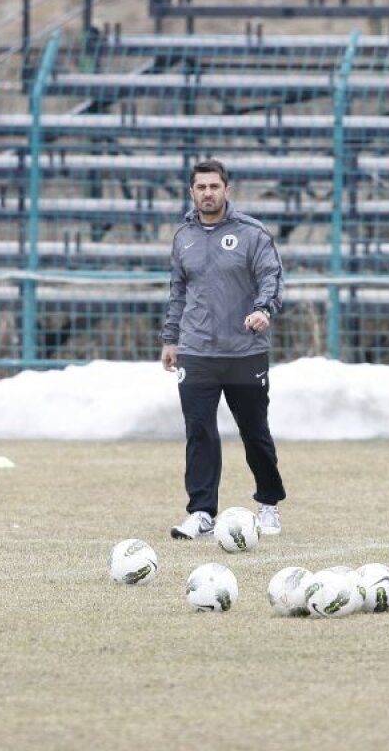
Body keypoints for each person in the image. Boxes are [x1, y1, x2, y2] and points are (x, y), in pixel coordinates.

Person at [161, 159, 287, 539]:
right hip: (197, 350)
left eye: (214, 186)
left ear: (226, 190)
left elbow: (272, 277)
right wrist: (171, 339)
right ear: (192, 192)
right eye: (201, 187)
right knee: (199, 430)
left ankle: (268, 504)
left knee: (254, 431)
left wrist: (263, 309)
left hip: (244, 350)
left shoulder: (251, 233)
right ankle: (201, 511)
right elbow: (178, 291)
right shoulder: (183, 236)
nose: (208, 193)